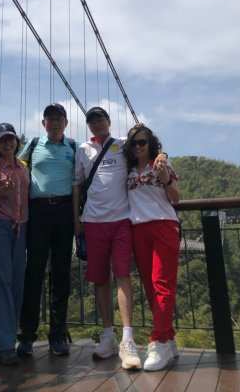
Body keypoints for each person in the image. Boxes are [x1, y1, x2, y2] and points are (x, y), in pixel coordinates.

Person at [73, 106, 141, 371]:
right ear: (88, 125)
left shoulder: (123, 145)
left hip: (122, 220)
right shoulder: (82, 149)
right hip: (92, 222)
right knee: (100, 279)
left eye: (100, 119)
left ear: (108, 122)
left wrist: (163, 155)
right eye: (91, 120)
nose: (96, 123)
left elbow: (149, 150)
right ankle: (108, 336)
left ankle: (127, 339)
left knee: (123, 276)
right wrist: (75, 220)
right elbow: (77, 185)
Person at [17, 103, 76, 357]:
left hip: (64, 212)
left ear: (66, 123)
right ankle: (27, 336)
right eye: (50, 119)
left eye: (58, 118)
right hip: (38, 212)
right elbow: (13, 166)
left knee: (61, 275)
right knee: (34, 273)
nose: (54, 122)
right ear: (43, 124)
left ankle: (57, 336)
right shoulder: (32, 145)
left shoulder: (73, 147)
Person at [123, 124, 180, 371]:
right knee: (150, 286)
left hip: (163, 225)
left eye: (143, 142)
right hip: (138, 229)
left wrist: (166, 178)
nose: (138, 147)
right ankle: (168, 338)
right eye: (134, 143)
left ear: (151, 143)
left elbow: (176, 198)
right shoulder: (126, 170)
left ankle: (158, 341)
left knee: (161, 283)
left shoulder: (161, 165)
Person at [0, 123, 29, 366]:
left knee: (16, 284)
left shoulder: (23, 167)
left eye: (11, 139)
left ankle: (0, 343)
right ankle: (2, 345)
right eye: (3, 140)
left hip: (21, 229)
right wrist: (1, 191)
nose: (8, 143)